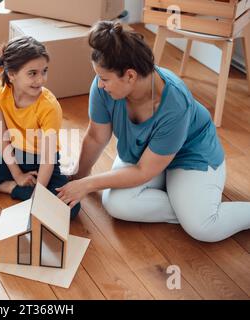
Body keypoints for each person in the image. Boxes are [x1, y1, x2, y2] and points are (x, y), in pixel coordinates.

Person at [56, 21, 250, 242]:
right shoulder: (105, 87)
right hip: (144, 154)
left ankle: (199, 212)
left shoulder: (175, 104)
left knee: (203, 227)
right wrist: (78, 177)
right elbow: (96, 136)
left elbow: (143, 171)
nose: (100, 85)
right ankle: (188, 205)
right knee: (117, 205)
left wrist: (88, 185)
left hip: (189, 155)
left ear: (130, 76)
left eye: (104, 79)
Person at [0, 36, 81, 218]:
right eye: (32, 73)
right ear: (11, 74)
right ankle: (6, 179)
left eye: (44, 71)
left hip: (43, 161)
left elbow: (48, 159)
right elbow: (2, 138)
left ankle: (4, 185)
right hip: (10, 155)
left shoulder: (49, 106)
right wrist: (18, 176)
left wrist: (38, 195)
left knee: (70, 209)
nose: (41, 79)